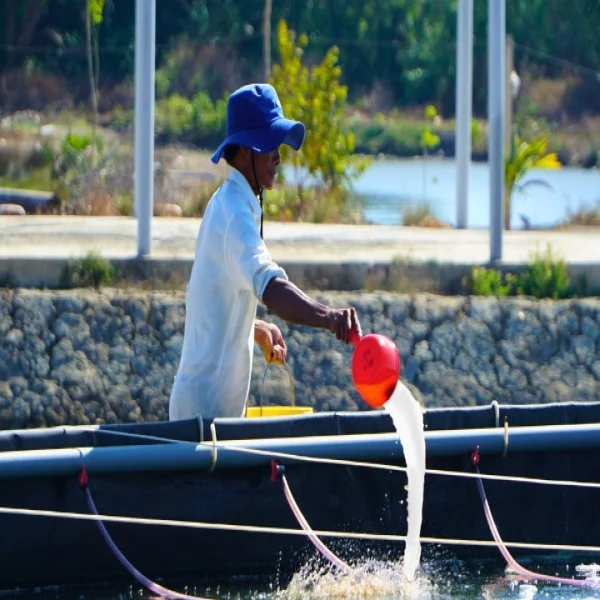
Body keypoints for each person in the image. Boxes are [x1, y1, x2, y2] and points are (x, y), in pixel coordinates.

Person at [169, 83, 362, 421]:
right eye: (269, 144)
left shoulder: (234, 203)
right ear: (243, 150)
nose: (278, 155)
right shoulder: (234, 214)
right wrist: (329, 318)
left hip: (216, 414)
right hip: (201, 418)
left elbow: (210, 299)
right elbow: (271, 289)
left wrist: (252, 326)